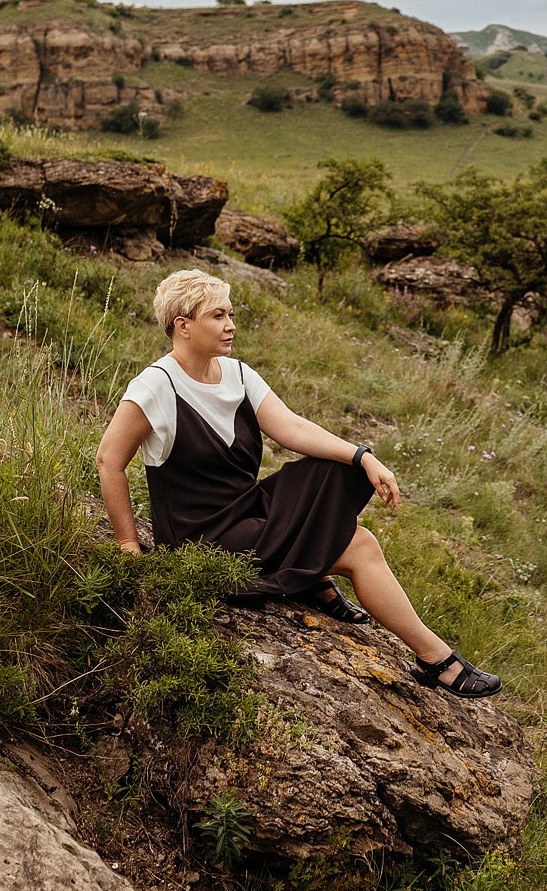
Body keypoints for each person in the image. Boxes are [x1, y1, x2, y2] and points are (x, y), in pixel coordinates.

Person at [95, 269, 500, 698]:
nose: (231, 324)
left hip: (247, 510)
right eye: (218, 315)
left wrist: (363, 457)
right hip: (204, 536)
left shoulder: (237, 374)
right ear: (183, 325)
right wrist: (128, 545)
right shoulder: (156, 386)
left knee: (336, 467)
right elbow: (108, 460)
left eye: (231, 313)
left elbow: (289, 427)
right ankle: (436, 660)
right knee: (360, 546)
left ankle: (310, 577)